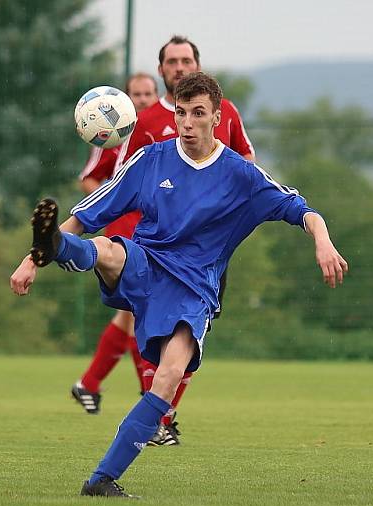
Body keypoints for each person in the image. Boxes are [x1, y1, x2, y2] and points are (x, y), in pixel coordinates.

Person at [10, 72, 348, 498]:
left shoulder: (241, 175)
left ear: (216, 117)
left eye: (198, 114)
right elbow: (89, 211)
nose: (187, 123)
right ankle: (58, 249)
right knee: (110, 249)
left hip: (193, 290)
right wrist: (33, 256)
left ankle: (102, 480)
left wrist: (323, 242)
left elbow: (303, 209)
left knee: (167, 381)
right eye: (182, 113)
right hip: (146, 263)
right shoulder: (151, 160)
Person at [107, 35, 256, 445]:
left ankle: (159, 410)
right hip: (156, 249)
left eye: (186, 60)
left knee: (192, 331)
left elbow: (246, 160)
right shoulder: (148, 122)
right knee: (147, 321)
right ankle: (154, 410)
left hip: (206, 252)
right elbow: (123, 179)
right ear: (161, 71)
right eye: (171, 61)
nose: (179, 67)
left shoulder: (226, 114)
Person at [70, 72, 159, 416]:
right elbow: (89, 178)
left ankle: (89, 384)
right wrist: (116, 200)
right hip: (125, 233)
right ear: (125, 99)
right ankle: (152, 402)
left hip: (153, 232)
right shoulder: (116, 135)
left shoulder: (163, 135)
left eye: (148, 93)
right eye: (135, 93)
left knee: (130, 316)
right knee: (136, 312)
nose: (142, 99)